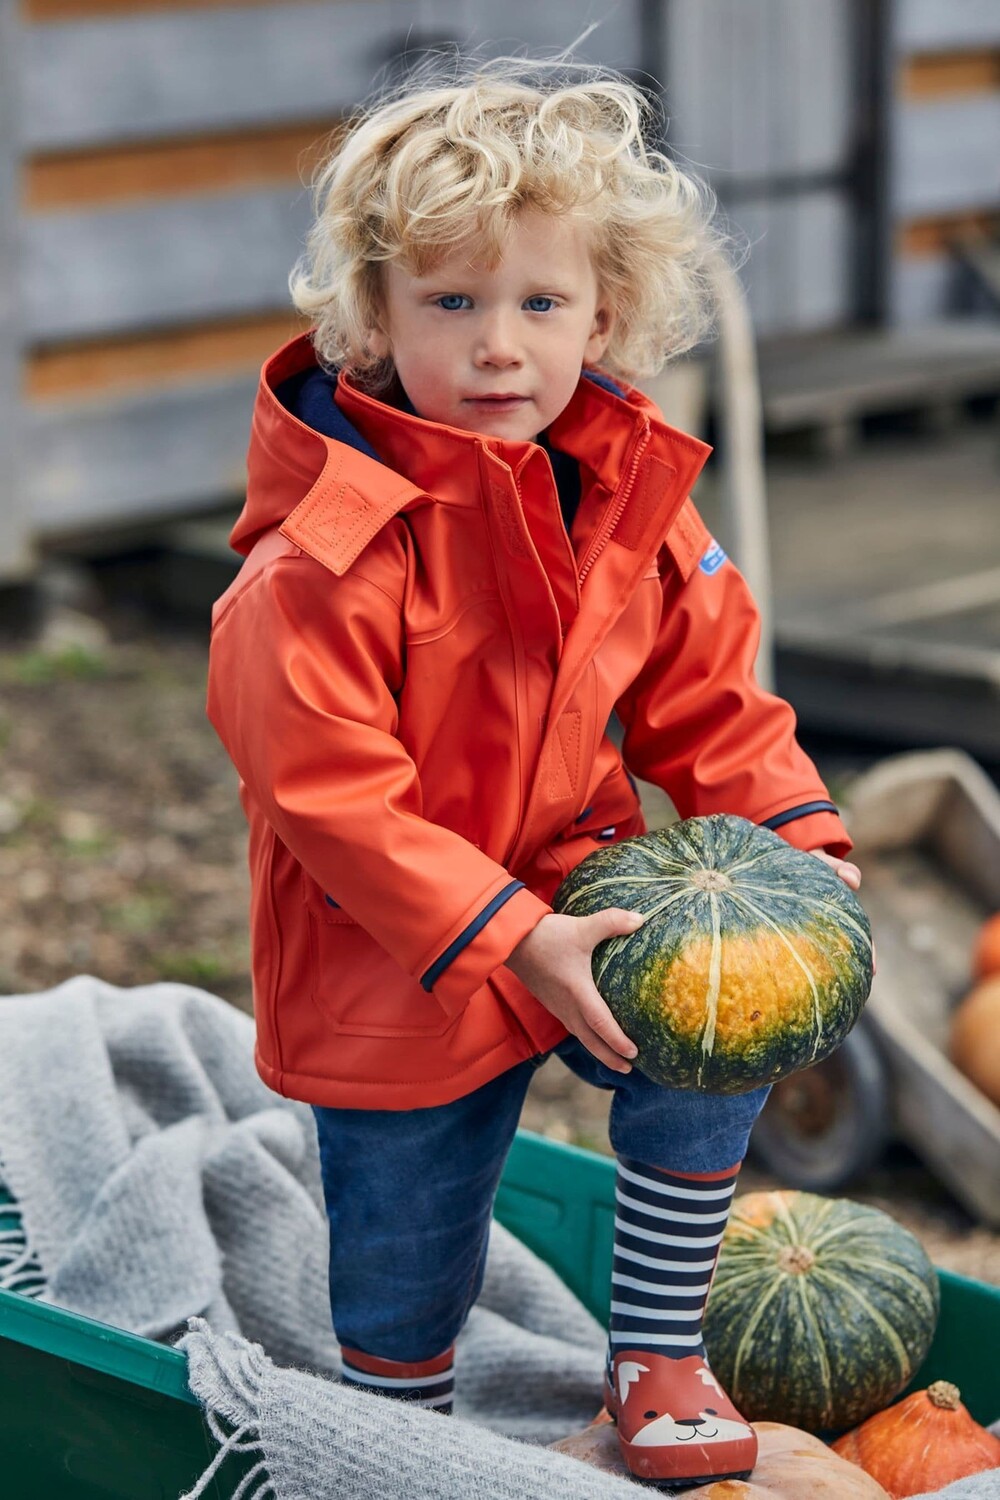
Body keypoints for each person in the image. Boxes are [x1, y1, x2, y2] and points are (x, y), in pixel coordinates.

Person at [206, 54, 860, 1487]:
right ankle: (397, 1424)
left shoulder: (630, 500)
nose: (499, 346)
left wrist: (801, 848)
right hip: (391, 949)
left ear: (604, 314)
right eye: (452, 302)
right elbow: (332, 800)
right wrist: (513, 939)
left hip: (580, 881)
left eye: (539, 303)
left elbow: (714, 697)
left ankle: (656, 1351)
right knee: (408, 1241)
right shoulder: (316, 567)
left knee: (721, 1018)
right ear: (373, 319)